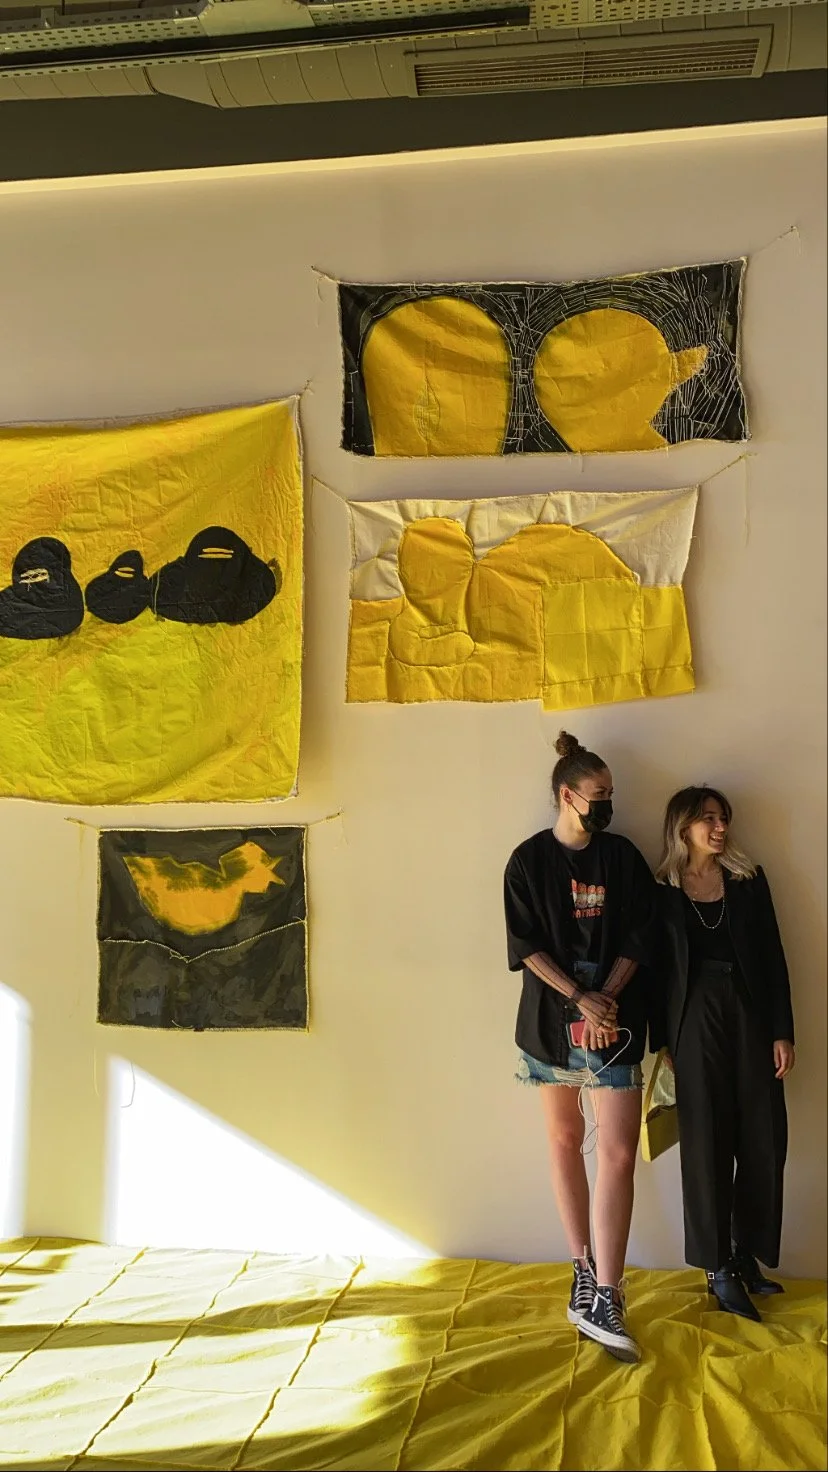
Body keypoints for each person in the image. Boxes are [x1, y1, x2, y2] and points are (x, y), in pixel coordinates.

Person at [503, 731, 657, 1364]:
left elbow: (642, 935)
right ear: (568, 795)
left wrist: (605, 999)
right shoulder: (527, 862)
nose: (608, 803)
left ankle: (610, 1294)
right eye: (600, 793)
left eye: (611, 793)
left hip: (616, 1025)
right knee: (565, 1141)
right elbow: (525, 947)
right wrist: (578, 998)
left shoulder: (623, 858)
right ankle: (583, 1272)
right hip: (548, 1025)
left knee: (617, 1152)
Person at [652, 786, 795, 1322]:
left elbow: (774, 957)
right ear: (683, 826)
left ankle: (744, 1251)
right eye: (708, 819)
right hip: (693, 1019)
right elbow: (654, 971)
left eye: (723, 818)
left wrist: (782, 1031)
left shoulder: (747, 880)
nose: (719, 827)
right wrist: (662, 1042)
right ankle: (716, 1268)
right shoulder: (662, 890)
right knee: (706, 1142)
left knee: (764, 1137)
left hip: (751, 1013)